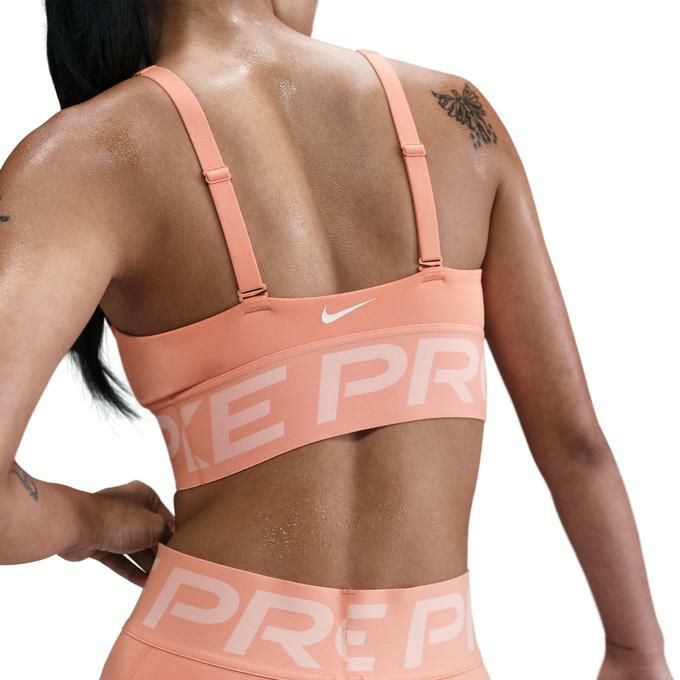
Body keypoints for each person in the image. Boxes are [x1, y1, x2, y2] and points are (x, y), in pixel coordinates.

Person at [0, 1, 672, 678]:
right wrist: (635, 651)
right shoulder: (455, 117)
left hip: (202, 652)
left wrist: (87, 521)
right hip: (437, 660)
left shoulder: (85, 156)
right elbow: (575, 440)